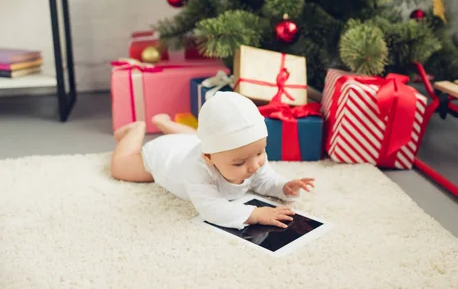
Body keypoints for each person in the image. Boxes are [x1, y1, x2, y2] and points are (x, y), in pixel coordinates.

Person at [110, 91, 315, 230]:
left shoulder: (247, 153)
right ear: (208, 158)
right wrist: (255, 214)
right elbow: (212, 209)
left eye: (260, 152)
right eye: (239, 163)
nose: (254, 165)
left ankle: (164, 122)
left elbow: (264, 180)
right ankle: (136, 129)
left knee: (196, 137)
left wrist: (283, 186)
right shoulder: (196, 170)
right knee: (120, 168)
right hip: (164, 156)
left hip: (189, 142)